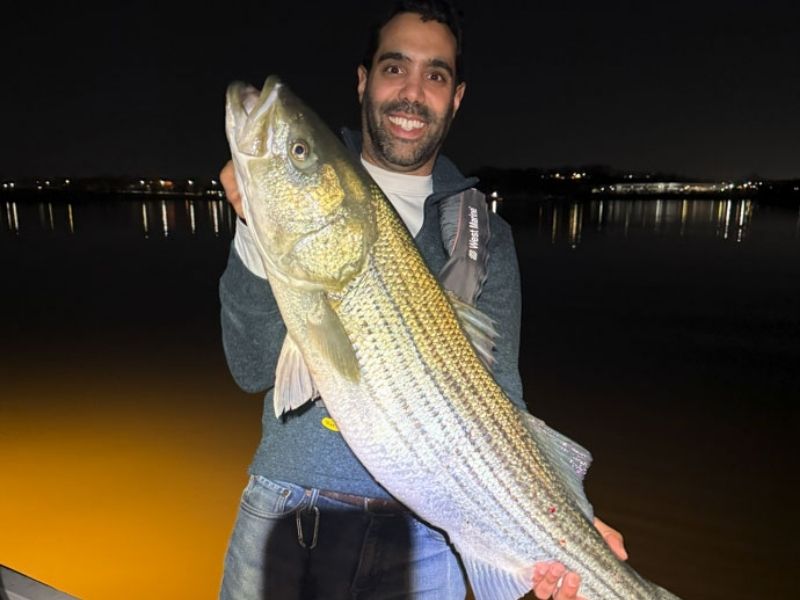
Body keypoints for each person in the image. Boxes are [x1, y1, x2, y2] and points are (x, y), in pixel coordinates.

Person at [217, 1, 627, 598]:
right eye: (394, 68)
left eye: (435, 75)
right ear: (363, 81)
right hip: (290, 513)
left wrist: (568, 525)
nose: (413, 92)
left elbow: (501, 401)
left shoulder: (485, 235)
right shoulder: (282, 228)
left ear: (455, 97)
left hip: (432, 542)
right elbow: (252, 366)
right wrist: (255, 227)